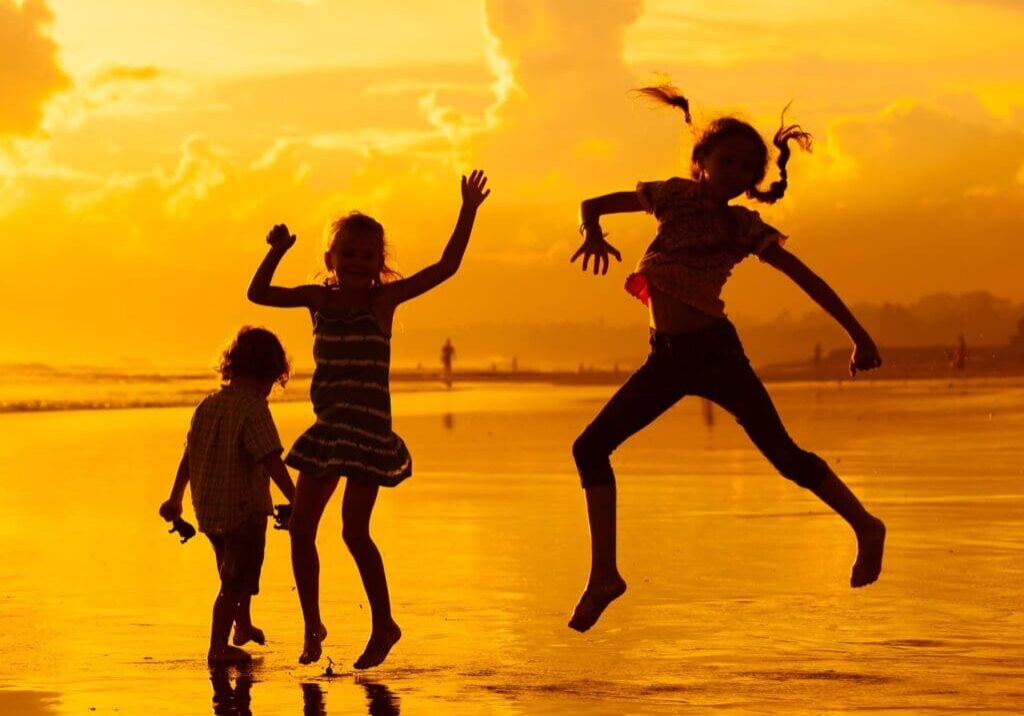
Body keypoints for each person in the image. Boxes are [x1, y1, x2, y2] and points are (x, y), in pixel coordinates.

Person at [567, 84, 886, 632]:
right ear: (701, 163)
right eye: (727, 161)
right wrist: (592, 231)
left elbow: (806, 278)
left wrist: (858, 334)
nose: (735, 172)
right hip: (665, 359)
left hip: (716, 354)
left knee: (785, 457)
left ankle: (866, 526)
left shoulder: (744, 227)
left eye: (746, 167)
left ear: (753, 180)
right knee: (590, 447)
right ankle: (604, 576)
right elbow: (591, 203)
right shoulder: (669, 196)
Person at [247, 170, 490, 668]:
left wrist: (468, 210)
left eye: (367, 255)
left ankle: (384, 623)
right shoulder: (320, 301)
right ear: (330, 260)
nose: (357, 263)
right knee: (301, 531)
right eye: (347, 254)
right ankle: (312, 626)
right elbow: (259, 294)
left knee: (355, 532)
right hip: (329, 429)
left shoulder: (384, 301)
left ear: (380, 263)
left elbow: (446, 267)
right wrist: (275, 250)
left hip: (367, 434)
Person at [159, 326, 296, 662]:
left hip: (209, 507)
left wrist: (175, 497)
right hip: (244, 508)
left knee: (233, 569)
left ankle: (243, 624)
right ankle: (217, 647)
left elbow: (189, 454)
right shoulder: (253, 408)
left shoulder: (207, 404)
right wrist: (297, 499)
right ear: (267, 374)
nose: (268, 392)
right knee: (234, 580)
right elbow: (270, 459)